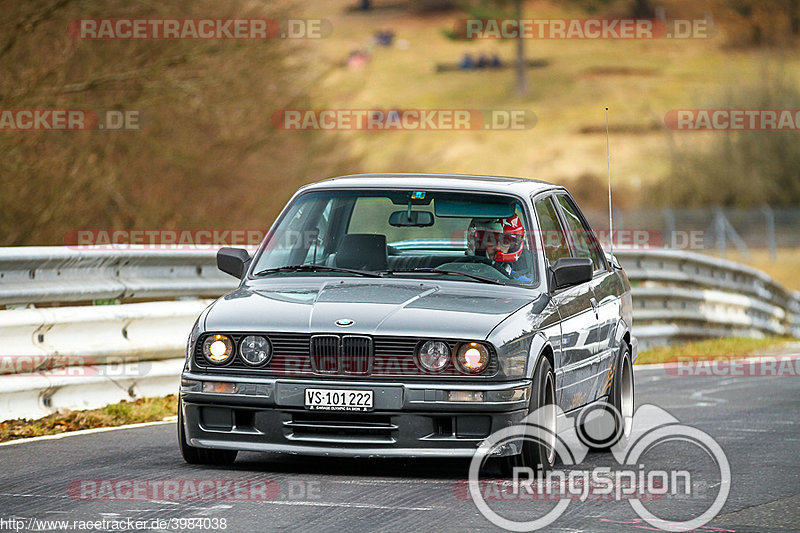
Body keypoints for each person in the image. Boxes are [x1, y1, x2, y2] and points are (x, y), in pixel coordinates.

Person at [466, 215, 531, 281]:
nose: (498, 247)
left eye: (505, 242)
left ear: (512, 247)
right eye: (491, 240)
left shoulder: (522, 282)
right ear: (481, 243)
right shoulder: (464, 277)